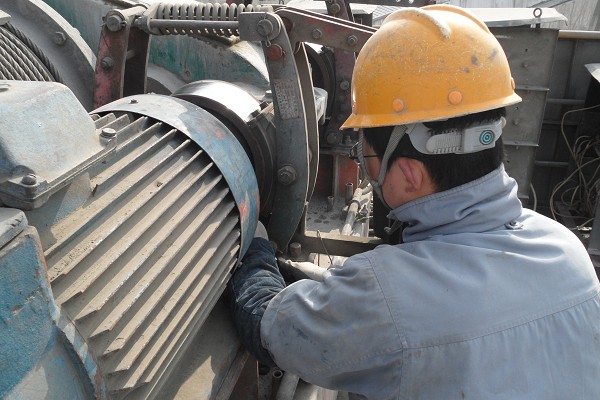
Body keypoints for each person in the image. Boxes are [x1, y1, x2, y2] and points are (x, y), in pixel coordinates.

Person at [229, 4, 600, 399]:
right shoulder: (566, 250)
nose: (366, 171)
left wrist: (256, 247)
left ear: (409, 173)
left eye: (365, 157)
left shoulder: (390, 298)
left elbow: (268, 328)